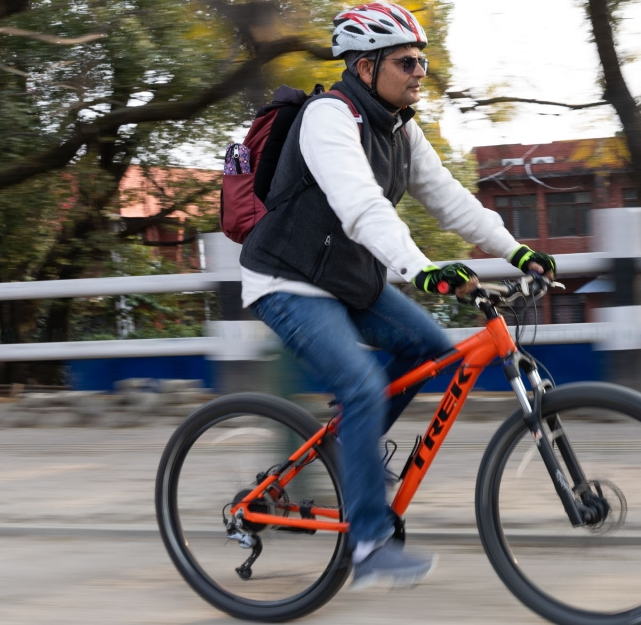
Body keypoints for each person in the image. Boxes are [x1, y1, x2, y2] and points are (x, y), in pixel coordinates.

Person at [238, 2, 555, 590]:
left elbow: (450, 199)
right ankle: (367, 544)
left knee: (430, 348)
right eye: (407, 61)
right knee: (360, 383)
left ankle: (345, 454)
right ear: (365, 68)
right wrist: (422, 270)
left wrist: (516, 252)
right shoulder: (328, 118)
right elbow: (362, 207)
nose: (419, 71)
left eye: (423, 61)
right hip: (285, 281)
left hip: (347, 281)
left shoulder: (400, 129)